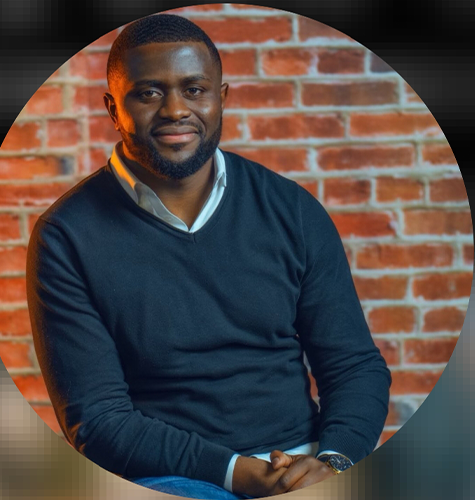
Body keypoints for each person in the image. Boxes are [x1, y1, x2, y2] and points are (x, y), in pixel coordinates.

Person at [26, 13, 391, 500]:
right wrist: (238, 473)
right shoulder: (65, 236)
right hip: (177, 477)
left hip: (303, 462)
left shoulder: (291, 210)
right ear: (114, 109)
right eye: (148, 93)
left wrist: (335, 462)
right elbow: (98, 421)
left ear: (222, 98)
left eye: (194, 90)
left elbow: (354, 366)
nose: (176, 109)